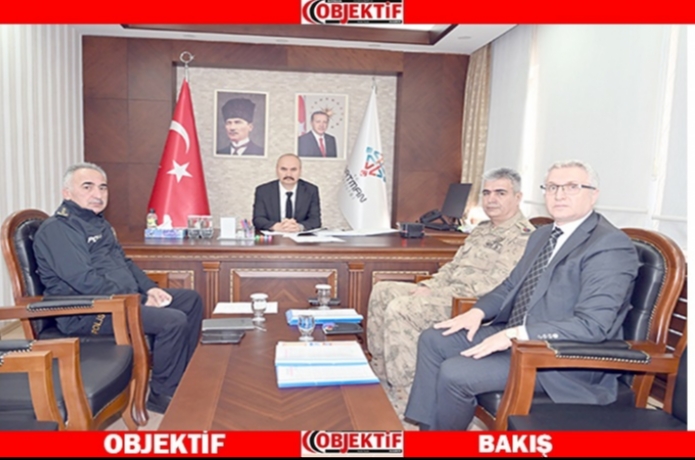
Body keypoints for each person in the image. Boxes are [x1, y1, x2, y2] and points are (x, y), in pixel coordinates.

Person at [404, 160, 640, 431]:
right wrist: (477, 312)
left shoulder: (609, 244)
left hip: (557, 357)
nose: (559, 195)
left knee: (455, 372)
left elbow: (592, 325)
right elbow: (510, 286)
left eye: (572, 187)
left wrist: (514, 334)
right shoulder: (543, 235)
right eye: (552, 187)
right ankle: (429, 433)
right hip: (518, 334)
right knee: (434, 339)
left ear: (593, 194)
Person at [33, 162, 204, 415]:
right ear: (67, 193)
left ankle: (179, 377)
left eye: (103, 187)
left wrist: (149, 289)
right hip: (88, 312)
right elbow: (84, 280)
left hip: (121, 300)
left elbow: (124, 263)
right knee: (172, 321)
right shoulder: (58, 229)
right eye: (87, 187)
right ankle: (162, 394)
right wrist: (138, 300)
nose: (98, 194)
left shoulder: (98, 223)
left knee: (190, 300)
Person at [367, 168, 534, 417]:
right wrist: (429, 286)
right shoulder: (482, 229)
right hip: (448, 293)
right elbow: (453, 267)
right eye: (486, 193)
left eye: (500, 193)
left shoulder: (523, 236)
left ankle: (405, 396)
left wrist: (438, 293)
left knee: (402, 308)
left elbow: (495, 286)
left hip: (472, 307)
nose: (491, 199)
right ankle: (381, 375)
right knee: (383, 290)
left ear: (518, 197)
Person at [252, 153, 321, 232]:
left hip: (300, 238)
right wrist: (275, 226)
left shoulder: (311, 190)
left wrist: (299, 227)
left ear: (300, 171)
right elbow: (258, 219)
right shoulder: (263, 191)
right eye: (283, 169)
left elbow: (315, 220)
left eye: (293, 169)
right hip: (273, 237)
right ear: (277, 170)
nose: (288, 174)